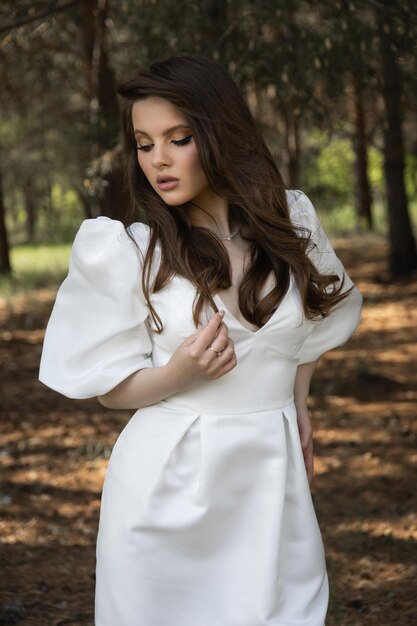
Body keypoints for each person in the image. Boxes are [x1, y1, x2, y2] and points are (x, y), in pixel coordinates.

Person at [38, 54, 363, 626]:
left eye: (177, 138)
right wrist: (177, 375)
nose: (157, 160)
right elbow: (107, 388)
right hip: (165, 490)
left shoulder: (292, 221)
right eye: (143, 144)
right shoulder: (133, 251)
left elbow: (314, 323)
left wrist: (298, 402)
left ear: (218, 133)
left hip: (270, 481)